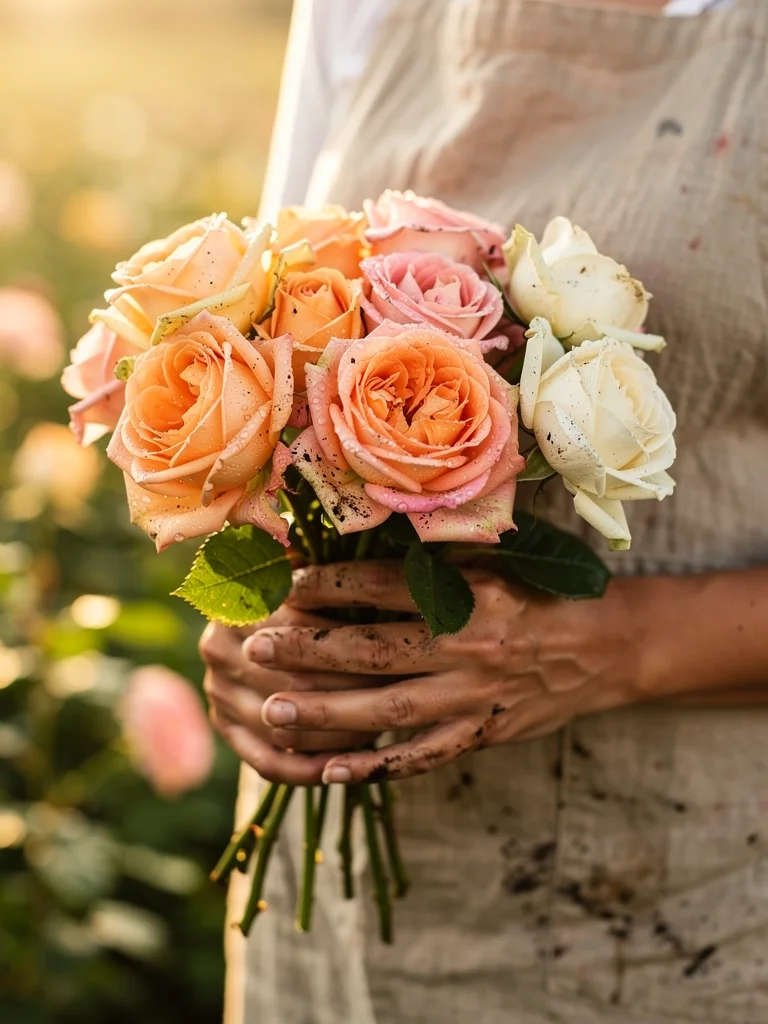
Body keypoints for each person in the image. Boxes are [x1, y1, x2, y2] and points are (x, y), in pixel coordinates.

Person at [201, 0, 768, 1020]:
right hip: (327, 929)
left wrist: (614, 643)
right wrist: (256, 622)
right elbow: (269, 334)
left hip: (682, 912)